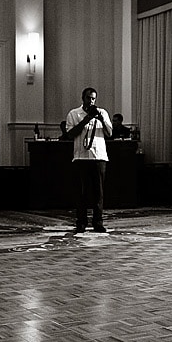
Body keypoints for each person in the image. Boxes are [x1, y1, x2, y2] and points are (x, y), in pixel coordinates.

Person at [65, 87, 112, 233]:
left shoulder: (102, 112)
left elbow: (109, 133)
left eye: (93, 98)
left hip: (99, 157)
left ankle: (98, 222)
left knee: (98, 193)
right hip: (81, 158)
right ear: (82, 98)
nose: (91, 101)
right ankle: (81, 222)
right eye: (88, 98)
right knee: (82, 192)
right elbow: (70, 134)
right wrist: (86, 120)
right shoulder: (73, 114)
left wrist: (101, 119)